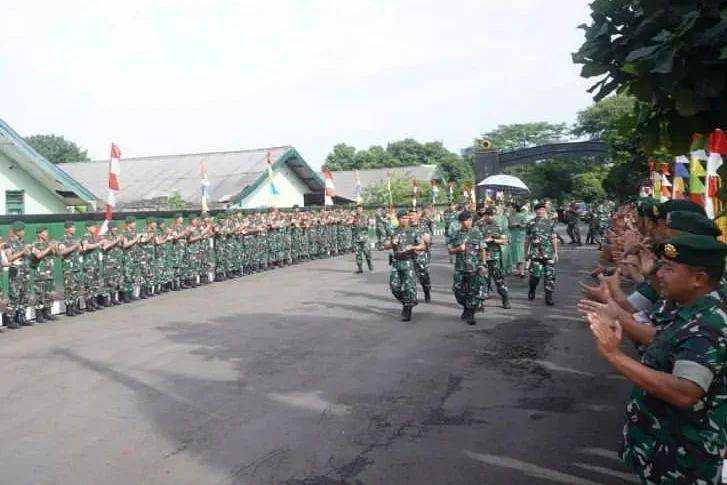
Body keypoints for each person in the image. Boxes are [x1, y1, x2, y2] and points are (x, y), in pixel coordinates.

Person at [584, 234, 727, 484]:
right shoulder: (685, 308)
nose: (659, 274)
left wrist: (614, 355)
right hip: (664, 446)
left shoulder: (708, 325)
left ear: (698, 278)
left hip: (686, 460)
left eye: (669, 269)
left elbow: (685, 392)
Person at [448, 210, 486, 325]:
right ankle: (466, 306)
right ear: (460, 222)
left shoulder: (476, 232)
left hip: (474, 267)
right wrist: (458, 249)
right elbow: (450, 250)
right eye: (466, 220)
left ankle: (470, 313)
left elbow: (482, 249)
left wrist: (483, 264)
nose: (469, 222)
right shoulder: (455, 234)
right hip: (460, 267)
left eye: (470, 220)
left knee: (473, 290)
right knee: (457, 290)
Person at [385, 210, 422, 322]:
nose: (405, 220)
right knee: (394, 287)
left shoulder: (414, 231)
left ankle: (407, 309)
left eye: (406, 218)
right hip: (396, 262)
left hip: (408, 262)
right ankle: (408, 302)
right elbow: (385, 246)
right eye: (402, 218)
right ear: (398, 219)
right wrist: (392, 243)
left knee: (409, 287)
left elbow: (422, 246)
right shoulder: (393, 231)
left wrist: (412, 247)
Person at [525, 202, 559, 305]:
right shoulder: (530, 223)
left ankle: (549, 296)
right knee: (535, 276)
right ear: (535, 211)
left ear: (545, 211)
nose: (540, 211)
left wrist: (556, 253)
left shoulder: (551, 223)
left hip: (548, 253)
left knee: (550, 276)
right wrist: (526, 253)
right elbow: (527, 239)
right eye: (538, 210)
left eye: (542, 209)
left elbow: (553, 238)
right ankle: (532, 289)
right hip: (535, 254)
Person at [478, 208, 510, 309]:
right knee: (481, 279)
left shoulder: (499, 227)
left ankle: (505, 299)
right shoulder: (479, 225)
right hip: (481, 256)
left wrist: (493, 240)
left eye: (491, 215)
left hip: (494, 257)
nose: (488, 217)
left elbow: (504, 241)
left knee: (499, 279)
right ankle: (479, 303)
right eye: (486, 215)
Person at [5, 221, 32, 327]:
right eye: (22, 230)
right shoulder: (9, 243)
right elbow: (9, 258)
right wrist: (22, 252)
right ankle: (10, 319)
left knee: (24, 296)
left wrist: (29, 251)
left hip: (25, 273)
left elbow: (29, 256)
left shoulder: (24, 242)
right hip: (15, 274)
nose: (23, 232)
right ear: (17, 231)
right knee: (14, 296)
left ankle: (22, 317)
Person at [30, 226, 58, 322]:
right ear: (39, 234)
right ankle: (39, 315)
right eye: (44, 232)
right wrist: (50, 247)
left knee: (49, 293)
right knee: (39, 294)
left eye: (46, 232)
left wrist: (55, 247)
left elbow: (57, 255)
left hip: (49, 272)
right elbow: (39, 255)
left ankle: (48, 313)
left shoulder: (48, 243)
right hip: (40, 274)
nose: (46, 234)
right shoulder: (35, 244)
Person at [57, 221, 83, 316]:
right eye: (72, 227)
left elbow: (80, 251)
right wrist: (74, 246)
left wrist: (80, 246)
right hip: (68, 268)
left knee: (76, 287)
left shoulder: (75, 239)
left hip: (76, 266)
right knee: (69, 288)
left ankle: (75, 306)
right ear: (67, 229)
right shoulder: (63, 240)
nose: (74, 229)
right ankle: (69, 308)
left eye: (74, 227)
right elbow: (61, 252)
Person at [410, 209, 432, 303]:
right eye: (410, 215)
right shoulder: (406, 227)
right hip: (409, 256)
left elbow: (429, 241)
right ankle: (412, 297)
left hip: (421, 256)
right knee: (410, 277)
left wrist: (427, 239)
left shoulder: (423, 227)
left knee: (423, 276)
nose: (411, 217)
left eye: (413, 215)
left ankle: (426, 291)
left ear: (418, 216)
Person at [507, 202, 528, 277]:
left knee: (520, 254)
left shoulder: (522, 215)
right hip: (513, 237)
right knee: (515, 254)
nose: (509, 209)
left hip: (520, 237)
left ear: (515, 208)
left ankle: (522, 271)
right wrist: (511, 226)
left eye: (511, 208)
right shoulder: (510, 216)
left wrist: (519, 225)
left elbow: (526, 225)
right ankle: (518, 271)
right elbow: (508, 226)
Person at [352, 204, 373, 273]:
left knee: (367, 252)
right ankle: (360, 268)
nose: (359, 210)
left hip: (364, 238)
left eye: (360, 209)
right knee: (358, 254)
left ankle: (369, 264)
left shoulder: (366, 216)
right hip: (356, 238)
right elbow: (351, 225)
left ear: (362, 209)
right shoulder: (354, 217)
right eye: (357, 209)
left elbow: (369, 225)